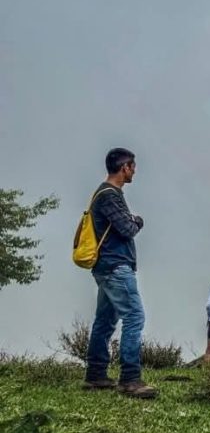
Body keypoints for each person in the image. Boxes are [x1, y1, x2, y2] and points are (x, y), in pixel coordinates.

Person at [83, 148, 157, 399]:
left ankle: (95, 374)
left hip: (107, 267)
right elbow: (127, 228)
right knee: (135, 317)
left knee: (104, 321)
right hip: (116, 266)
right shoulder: (109, 196)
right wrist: (138, 220)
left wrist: (131, 219)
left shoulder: (105, 194)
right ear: (124, 167)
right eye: (133, 166)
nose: (134, 171)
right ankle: (130, 378)